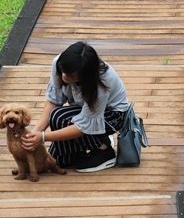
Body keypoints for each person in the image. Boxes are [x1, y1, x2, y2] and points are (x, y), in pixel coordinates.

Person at [21, 41, 130, 173]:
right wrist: (34, 132)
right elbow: (54, 101)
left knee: (59, 117)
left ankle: (104, 150)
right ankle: (93, 142)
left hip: (112, 116)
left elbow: (84, 126)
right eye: (63, 71)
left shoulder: (102, 82)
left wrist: (43, 137)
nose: (64, 76)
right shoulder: (60, 63)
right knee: (62, 161)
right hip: (85, 111)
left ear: (85, 75)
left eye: (71, 75)